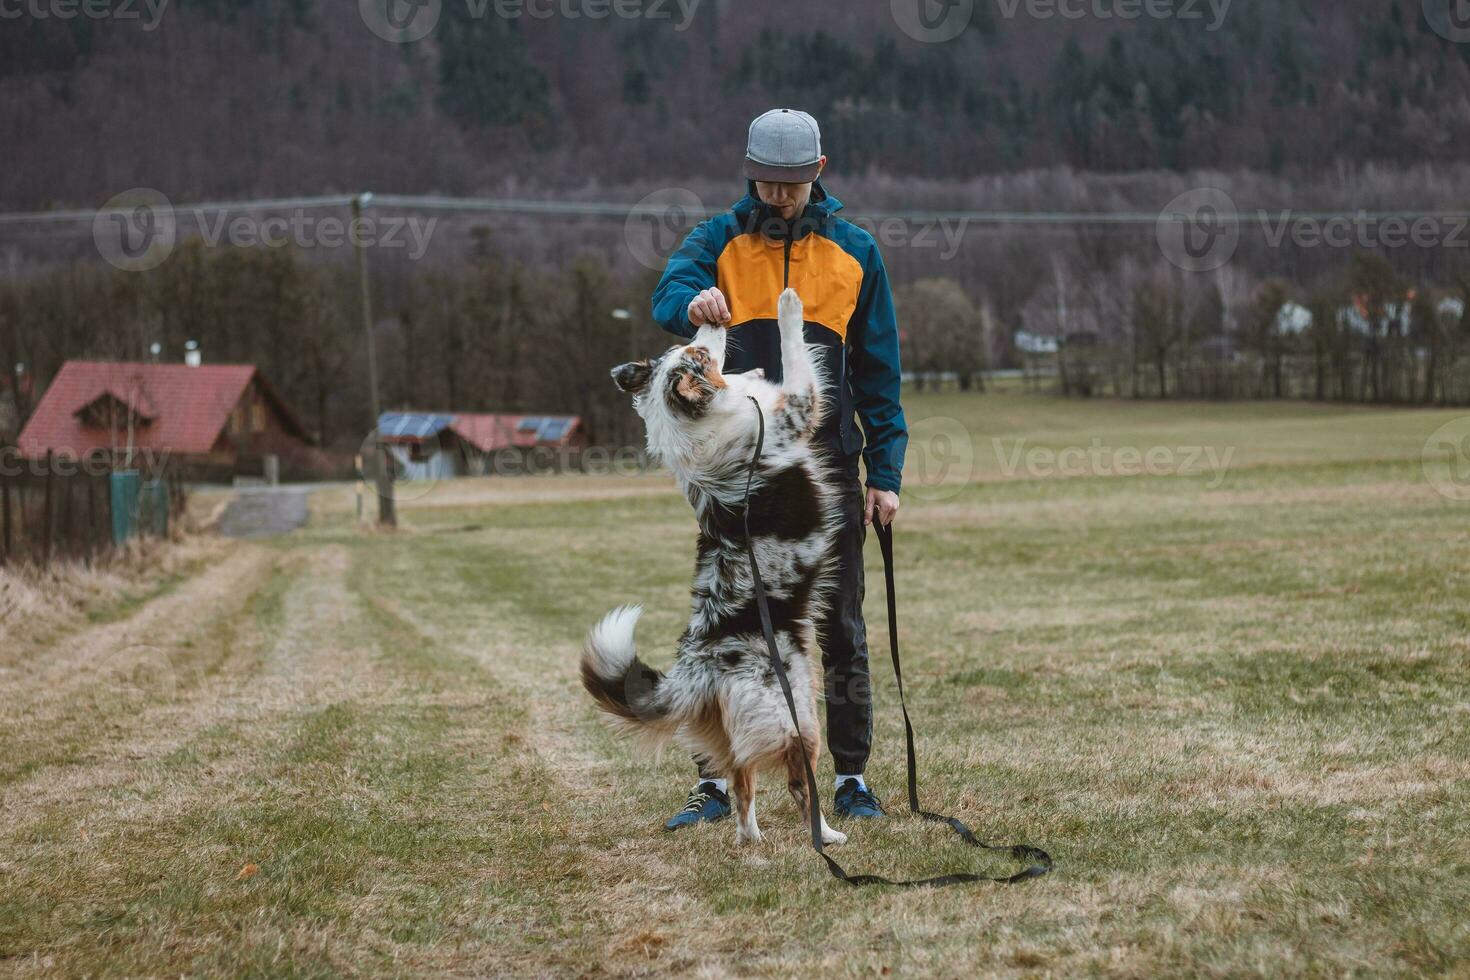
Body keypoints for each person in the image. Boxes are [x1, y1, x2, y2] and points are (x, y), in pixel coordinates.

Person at [651, 108, 908, 829]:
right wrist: (690, 302)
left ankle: (851, 778)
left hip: (823, 477)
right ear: (749, 175)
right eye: (767, 185)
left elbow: (880, 376)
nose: (780, 199)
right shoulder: (717, 242)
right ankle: (713, 782)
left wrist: (885, 475)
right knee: (728, 629)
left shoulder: (857, 253)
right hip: (738, 478)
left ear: (818, 173)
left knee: (841, 630)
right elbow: (668, 291)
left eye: (792, 186)